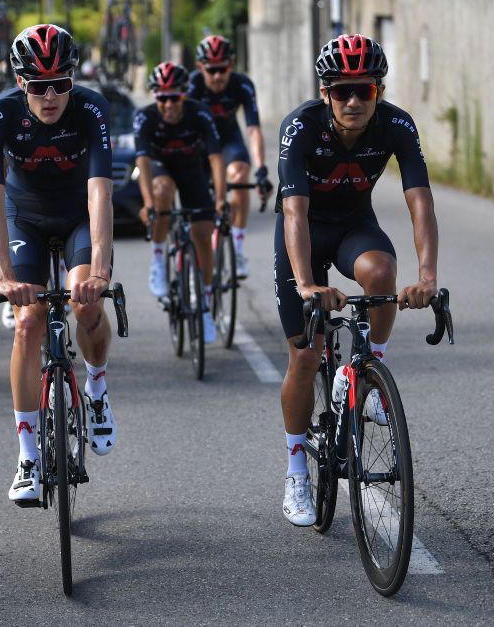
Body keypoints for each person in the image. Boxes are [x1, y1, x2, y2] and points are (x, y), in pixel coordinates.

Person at [274, 34, 439, 525]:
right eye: (342, 90)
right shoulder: (300, 126)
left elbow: (420, 201)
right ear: (325, 92)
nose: (352, 101)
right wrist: (306, 283)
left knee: (383, 273)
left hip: (353, 227)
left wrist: (427, 275)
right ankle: (297, 471)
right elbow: (294, 212)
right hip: (303, 236)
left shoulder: (396, 125)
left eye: (363, 91)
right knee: (305, 356)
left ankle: (368, 377)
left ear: (378, 91)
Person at [0, 24, 117, 505]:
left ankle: (96, 388)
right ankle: (27, 455)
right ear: (21, 83)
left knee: (85, 304)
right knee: (27, 322)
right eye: (39, 85)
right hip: (25, 216)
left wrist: (100, 270)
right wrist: (3, 279)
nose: (51, 94)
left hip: (78, 210)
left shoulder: (92, 107)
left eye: (61, 82)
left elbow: (100, 192)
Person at [134, 61, 226, 344]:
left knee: (203, 231)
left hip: (191, 170)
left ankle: (207, 302)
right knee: (161, 191)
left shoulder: (199, 113)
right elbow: (143, 162)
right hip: (162, 169)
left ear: (184, 94)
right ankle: (159, 260)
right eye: (162, 98)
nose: (168, 104)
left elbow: (215, 158)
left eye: (174, 97)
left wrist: (221, 199)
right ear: (155, 98)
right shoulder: (146, 118)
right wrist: (149, 204)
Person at [187, 35, 272, 277]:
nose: (216, 76)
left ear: (231, 65)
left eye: (222, 69)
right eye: (211, 70)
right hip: (200, 146)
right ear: (200, 67)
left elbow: (253, 129)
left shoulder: (242, 84)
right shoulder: (193, 85)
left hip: (228, 141)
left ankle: (237, 245)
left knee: (240, 174)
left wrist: (261, 169)